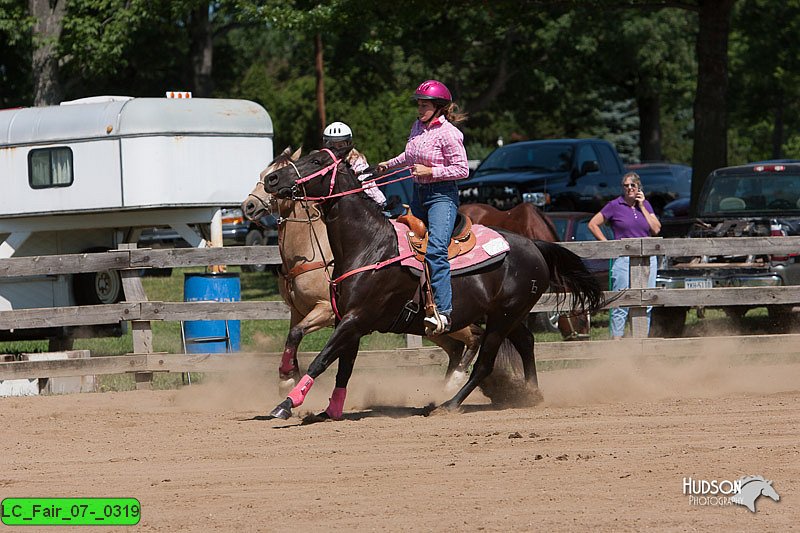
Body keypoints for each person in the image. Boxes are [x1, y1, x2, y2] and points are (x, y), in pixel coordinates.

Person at [376, 80, 469, 335]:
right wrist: (388, 164)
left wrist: (432, 171)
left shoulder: (450, 133)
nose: (419, 109)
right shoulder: (418, 126)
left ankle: (444, 312)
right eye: (418, 104)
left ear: (438, 107)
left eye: (424, 105)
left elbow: (462, 169)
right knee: (395, 240)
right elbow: (409, 156)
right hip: (418, 194)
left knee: (436, 250)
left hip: (441, 197)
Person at [587, 171, 661, 339]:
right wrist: (608, 245)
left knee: (646, 301)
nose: (629, 189)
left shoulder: (646, 205)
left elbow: (656, 229)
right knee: (621, 301)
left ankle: (640, 341)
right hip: (623, 258)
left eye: (632, 185)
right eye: (626, 186)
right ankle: (617, 342)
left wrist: (642, 206)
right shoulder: (614, 205)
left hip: (647, 258)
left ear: (639, 187)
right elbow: (593, 224)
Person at [322, 121, 386, 206]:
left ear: (348, 144)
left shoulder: (356, 160)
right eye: (332, 146)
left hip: (373, 203)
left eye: (341, 146)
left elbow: (363, 184)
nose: (336, 150)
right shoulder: (326, 162)